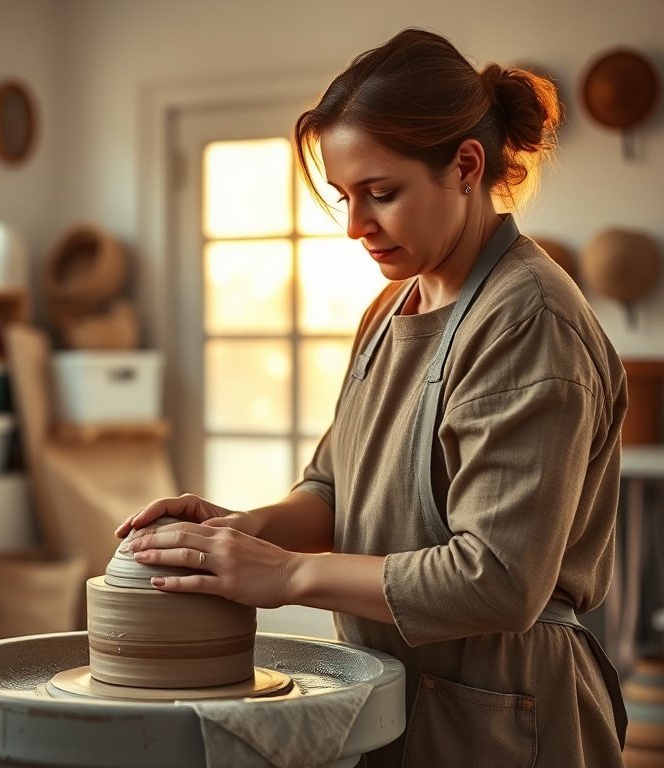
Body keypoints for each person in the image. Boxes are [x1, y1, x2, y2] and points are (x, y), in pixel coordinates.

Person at [116, 27, 627, 767]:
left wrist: (286, 575)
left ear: (465, 166)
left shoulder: (528, 322)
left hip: (507, 706)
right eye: (344, 198)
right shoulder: (392, 309)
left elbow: (501, 580)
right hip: (397, 689)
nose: (356, 227)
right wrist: (243, 532)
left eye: (381, 194)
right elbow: (334, 488)